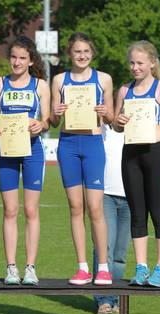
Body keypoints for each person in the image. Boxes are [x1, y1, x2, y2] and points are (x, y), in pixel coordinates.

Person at [113, 40, 160, 287]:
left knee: (159, 212)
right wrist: (118, 121)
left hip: (157, 154)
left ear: (152, 62)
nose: (135, 67)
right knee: (137, 213)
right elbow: (116, 126)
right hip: (131, 155)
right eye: (132, 63)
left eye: (140, 63)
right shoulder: (124, 90)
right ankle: (141, 267)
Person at [51, 32, 114, 285]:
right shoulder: (59, 80)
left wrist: (106, 113)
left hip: (93, 144)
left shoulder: (104, 79)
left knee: (96, 208)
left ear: (92, 53)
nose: (82, 56)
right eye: (77, 51)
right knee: (76, 207)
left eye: (86, 51)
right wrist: (55, 113)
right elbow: (54, 122)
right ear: (70, 53)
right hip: (68, 144)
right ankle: (82, 267)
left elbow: (110, 118)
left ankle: (103, 267)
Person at [0, 36, 50, 285]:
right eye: (13, 57)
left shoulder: (40, 86)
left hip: (33, 150)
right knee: (10, 210)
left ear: (30, 60)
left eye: (23, 58)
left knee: (31, 210)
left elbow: (47, 121)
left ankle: (30, 267)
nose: (17, 62)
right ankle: (11, 267)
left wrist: (40, 125)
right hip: (7, 151)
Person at [92, 123, 131, 314]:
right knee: (104, 248)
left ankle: (114, 297)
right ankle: (103, 299)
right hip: (105, 195)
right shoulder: (102, 128)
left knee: (120, 254)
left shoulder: (137, 127)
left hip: (131, 197)